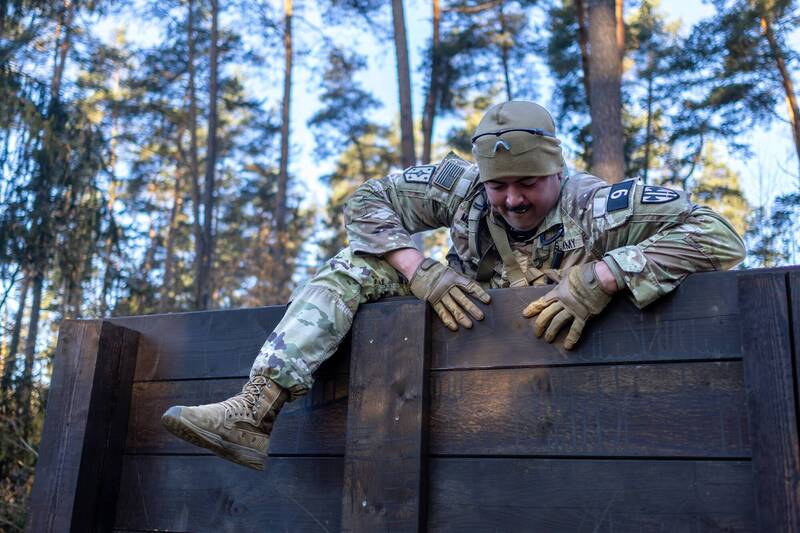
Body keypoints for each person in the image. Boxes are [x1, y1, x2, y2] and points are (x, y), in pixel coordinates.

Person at [161, 101, 746, 470]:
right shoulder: (460, 186)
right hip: (456, 346)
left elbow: (720, 236)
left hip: (578, 395)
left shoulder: (597, 204)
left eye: (527, 184)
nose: (513, 199)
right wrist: (420, 269)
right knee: (356, 265)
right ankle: (253, 412)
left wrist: (604, 276)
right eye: (499, 186)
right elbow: (366, 199)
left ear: (556, 171)